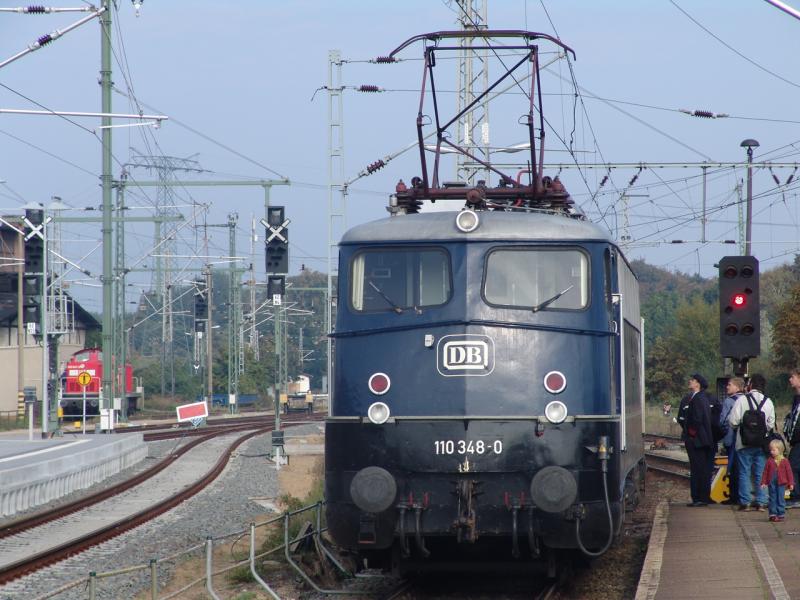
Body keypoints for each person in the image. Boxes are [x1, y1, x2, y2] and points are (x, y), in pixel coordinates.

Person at [729, 374, 775, 511]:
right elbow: (770, 424)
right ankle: (761, 502)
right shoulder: (768, 401)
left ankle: (745, 502)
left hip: (744, 443)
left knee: (744, 472)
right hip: (761, 443)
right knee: (761, 472)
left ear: (750, 384)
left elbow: (733, 422)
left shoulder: (742, 400)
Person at [684, 373, 714, 507]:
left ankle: (699, 497)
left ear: (698, 384)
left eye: (692, 380)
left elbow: (697, 419)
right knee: (701, 468)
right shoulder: (701, 398)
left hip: (697, 440)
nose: (690, 381)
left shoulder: (697, 399)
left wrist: (691, 434)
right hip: (701, 439)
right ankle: (701, 497)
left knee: (698, 469)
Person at [720, 377, 746, 504]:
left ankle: (733, 496)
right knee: (744, 468)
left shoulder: (729, 401)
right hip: (747, 439)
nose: (727, 387)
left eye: (730, 385)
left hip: (732, 439)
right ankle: (744, 496)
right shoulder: (747, 399)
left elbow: (723, 421)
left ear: (737, 387)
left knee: (733, 467)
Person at [760, 438, 795, 522]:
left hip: (781, 483)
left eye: (773, 450)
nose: (771, 452)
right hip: (771, 482)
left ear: (780, 450)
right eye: (770, 450)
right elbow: (765, 472)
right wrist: (763, 482)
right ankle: (773, 514)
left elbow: (789, 473)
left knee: (780, 498)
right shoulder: (769, 460)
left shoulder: (785, 461)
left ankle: (780, 513)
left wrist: (791, 483)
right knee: (772, 498)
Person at [783, 369, 800, 507]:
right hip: (796, 439)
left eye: (793, 377)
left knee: (792, 465)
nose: (790, 380)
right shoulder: (796, 398)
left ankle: (795, 496)